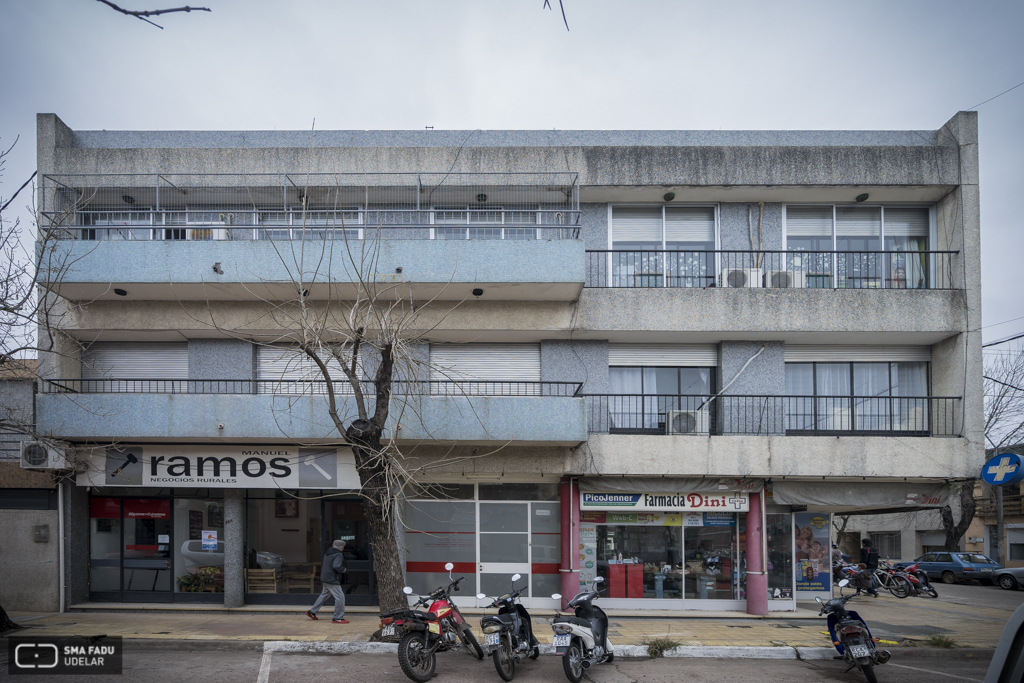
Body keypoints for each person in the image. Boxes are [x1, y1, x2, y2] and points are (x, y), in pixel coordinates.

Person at [305, 539, 348, 624]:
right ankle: (338, 618)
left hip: (325, 577)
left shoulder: (328, 552)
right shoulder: (338, 554)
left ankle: (312, 611)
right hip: (332, 579)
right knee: (340, 597)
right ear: (342, 547)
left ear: (333, 545)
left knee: (324, 595)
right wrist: (343, 569)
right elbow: (336, 566)